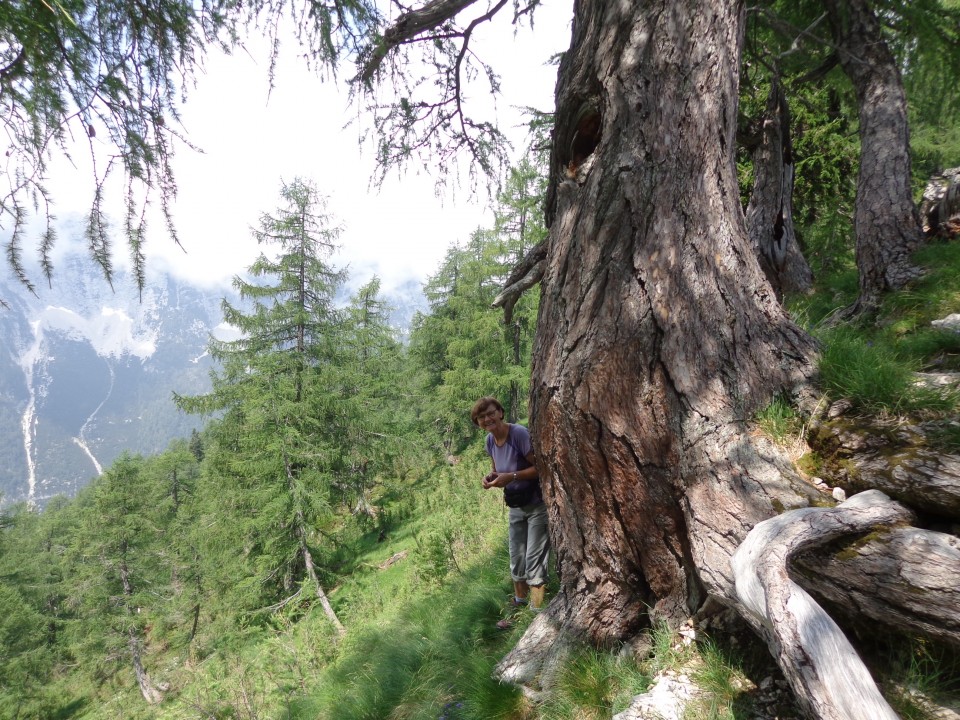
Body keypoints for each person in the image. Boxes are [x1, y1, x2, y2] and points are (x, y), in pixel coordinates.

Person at [471, 396, 550, 626]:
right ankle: (519, 608)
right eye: (482, 417)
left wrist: (512, 476)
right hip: (515, 506)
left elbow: (540, 467)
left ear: (501, 412)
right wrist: (491, 478)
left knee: (535, 560)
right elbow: (497, 470)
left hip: (536, 504)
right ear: (478, 422)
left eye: (491, 413)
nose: (488, 419)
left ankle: (535, 614)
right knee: (516, 559)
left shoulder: (518, 434)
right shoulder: (489, 442)